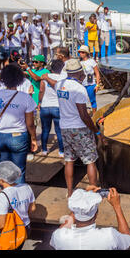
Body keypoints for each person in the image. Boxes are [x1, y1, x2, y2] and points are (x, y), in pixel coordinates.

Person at [49, 59, 104, 197]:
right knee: (90, 160)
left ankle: (69, 192)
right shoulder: (79, 89)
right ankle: (93, 193)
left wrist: (44, 76)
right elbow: (84, 115)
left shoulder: (60, 84)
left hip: (65, 128)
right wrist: (96, 131)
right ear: (80, 72)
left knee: (69, 160)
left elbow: (52, 83)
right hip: (79, 128)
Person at [0, 65, 38, 183]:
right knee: (19, 170)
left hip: (0, 136)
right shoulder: (25, 98)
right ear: (19, 79)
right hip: (19, 137)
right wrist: (33, 139)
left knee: (3, 171)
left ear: (2, 78)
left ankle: (6, 196)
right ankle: (20, 196)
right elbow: (30, 124)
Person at [50, 187, 130, 250]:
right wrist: (117, 206)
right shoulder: (109, 236)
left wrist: (81, 203)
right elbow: (127, 241)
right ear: (96, 214)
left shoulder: (59, 236)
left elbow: (60, 232)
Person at [0, 161, 36, 250]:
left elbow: (0, 224)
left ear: (1, 180)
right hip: (25, 227)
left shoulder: (2, 196)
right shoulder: (26, 187)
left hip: (9, 232)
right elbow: (32, 208)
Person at [38, 59, 65, 157]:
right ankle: (61, 151)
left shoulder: (45, 77)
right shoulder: (63, 77)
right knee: (59, 130)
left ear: (51, 68)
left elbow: (41, 91)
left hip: (45, 106)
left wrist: (40, 102)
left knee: (45, 130)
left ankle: (44, 150)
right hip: (58, 106)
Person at [79, 45, 101, 114]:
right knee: (81, 101)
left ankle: (94, 115)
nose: (81, 54)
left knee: (92, 101)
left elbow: (97, 74)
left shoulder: (92, 61)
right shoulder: (79, 62)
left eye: (82, 52)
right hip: (82, 85)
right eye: (80, 52)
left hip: (90, 84)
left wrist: (97, 85)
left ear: (86, 53)